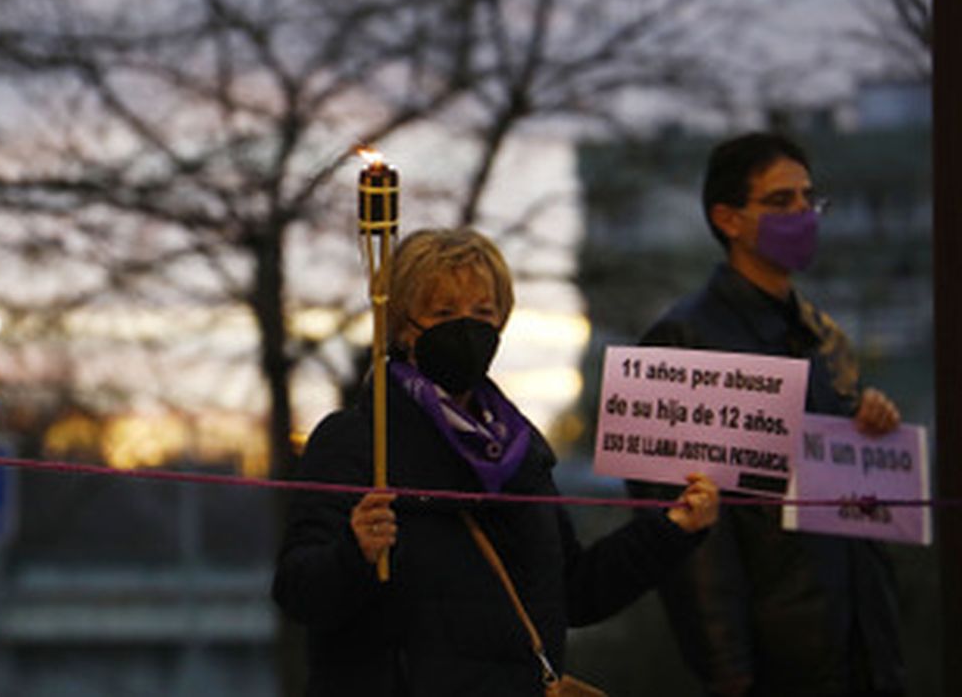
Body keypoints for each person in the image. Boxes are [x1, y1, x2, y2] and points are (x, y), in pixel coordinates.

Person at [273, 227, 720, 697]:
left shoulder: (519, 449)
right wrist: (353, 552)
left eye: (483, 312)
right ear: (403, 328)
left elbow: (573, 592)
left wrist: (671, 530)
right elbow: (298, 592)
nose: (466, 328)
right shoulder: (356, 441)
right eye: (443, 313)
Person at [632, 131, 906, 696]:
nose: (803, 214)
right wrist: (728, 670)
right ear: (728, 220)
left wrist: (872, 430)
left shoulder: (825, 338)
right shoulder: (685, 340)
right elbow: (685, 533)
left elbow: (853, 504)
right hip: (774, 661)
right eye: (781, 202)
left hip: (861, 652)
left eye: (810, 200)